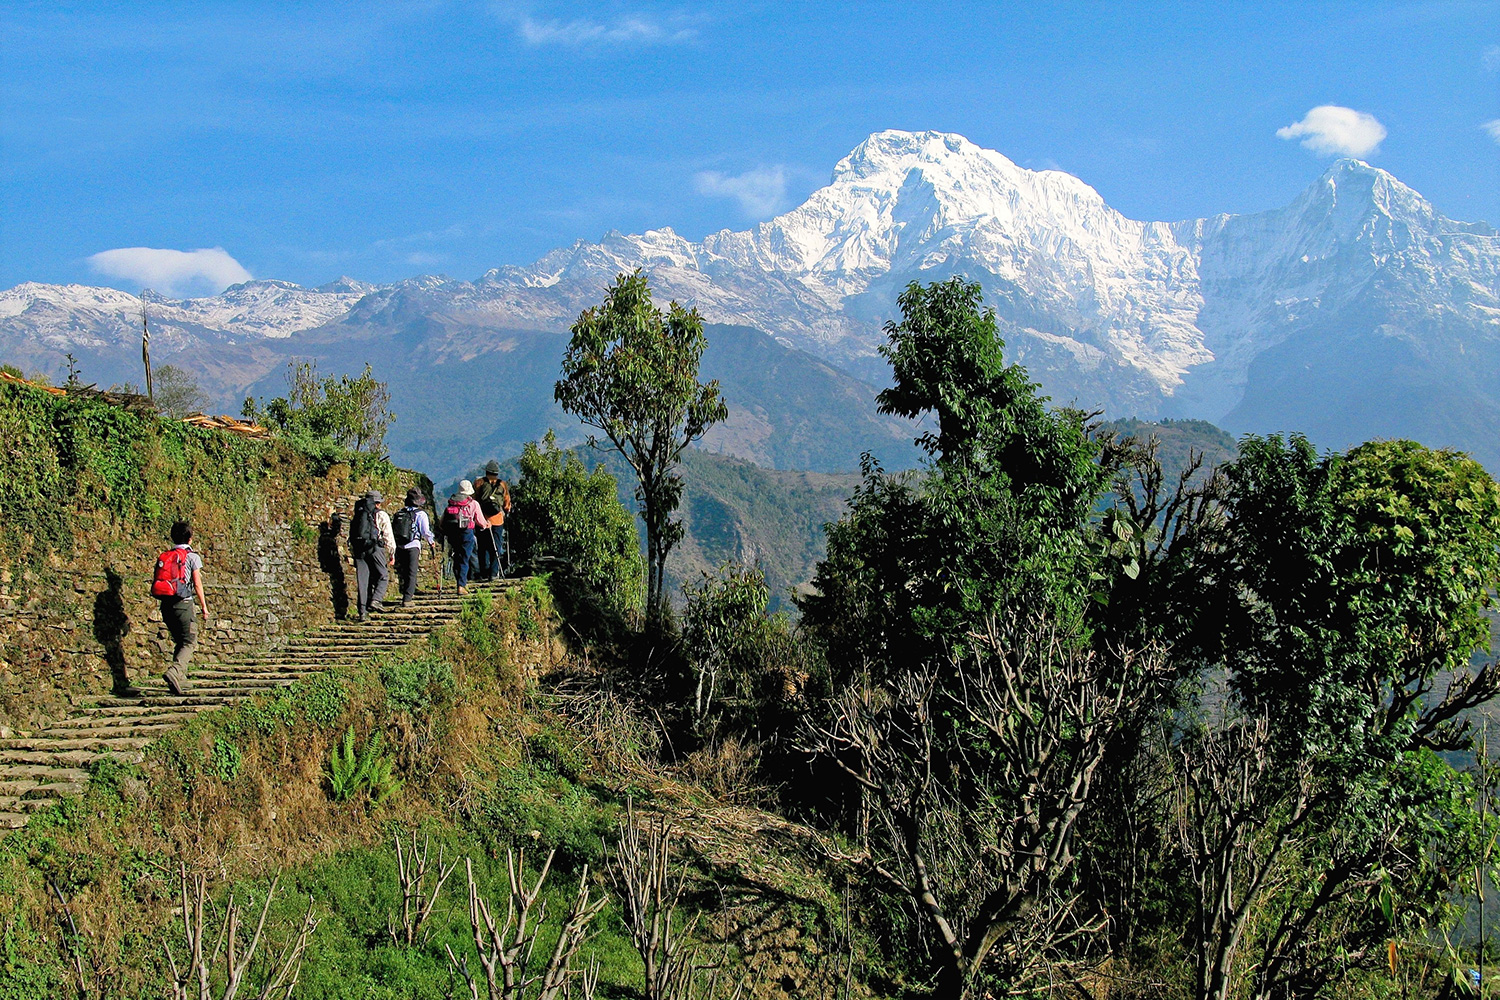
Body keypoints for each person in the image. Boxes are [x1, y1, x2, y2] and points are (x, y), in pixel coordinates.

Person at [150, 520, 209, 696]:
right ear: (190, 539)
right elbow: (197, 584)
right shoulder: (192, 557)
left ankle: (179, 678)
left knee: (180, 641)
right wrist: (204, 608)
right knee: (190, 641)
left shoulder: (166, 556)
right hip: (183, 604)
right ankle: (175, 672)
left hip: (166, 605)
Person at [349, 489, 396, 622]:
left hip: (359, 549)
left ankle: (362, 612)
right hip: (375, 548)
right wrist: (392, 552)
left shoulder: (359, 513)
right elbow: (388, 535)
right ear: (378, 503)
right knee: (383, 575)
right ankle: (376, 600)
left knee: (363, 580)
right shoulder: (381, 515)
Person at [442, 480, 488, 595]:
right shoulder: (473, 503)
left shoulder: (451, 502)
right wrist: (486, 524)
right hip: (466, 532)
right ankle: (461, 585)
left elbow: (442, 521)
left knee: (457, 557)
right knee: (465, 558)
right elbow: (481, 522)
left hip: (452, 533)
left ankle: (460, 581)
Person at [393, 487, 438, 607]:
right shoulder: (420, 514)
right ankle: (407, 599)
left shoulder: (400, 513)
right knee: (411, 572)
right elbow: (425, 531)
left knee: (403, 571)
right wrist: (431, 541)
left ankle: (404, 593)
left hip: (400, 545)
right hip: (413, 545)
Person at [473, 460, 512, 581]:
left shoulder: (479, 483)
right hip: (497, 520)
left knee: (483, 546)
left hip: (482, 519)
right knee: (496, 546)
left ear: (486, 471)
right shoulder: (503, 485)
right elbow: (507, 503)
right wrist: (506, 511)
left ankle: (484, 572)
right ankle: (494, 573)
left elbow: (474, 499)